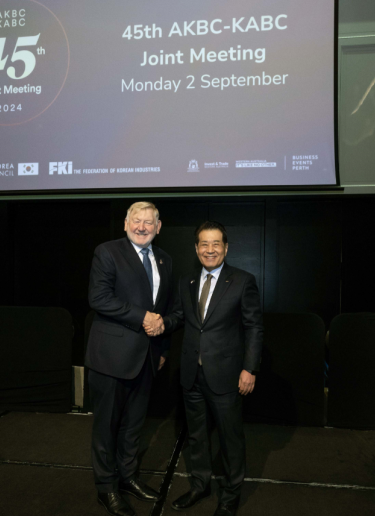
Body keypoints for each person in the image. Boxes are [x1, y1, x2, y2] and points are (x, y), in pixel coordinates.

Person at [146, 221, 263, 516]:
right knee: (196, 437)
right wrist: (161, 323)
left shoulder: (242, 280)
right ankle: (200, 486)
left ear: (225, 248)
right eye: (204, 244)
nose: (210, 250)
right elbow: (179, 318)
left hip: (226, 376)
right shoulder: (187, 281)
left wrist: (250, 369)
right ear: (196, 249)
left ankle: (230, 496)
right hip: (191, 375)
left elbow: (254, 328)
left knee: (230, 438)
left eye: (216, 244)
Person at [87, 201, 172, 516]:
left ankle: (128, 478)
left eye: (149, 222)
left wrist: (162, 349)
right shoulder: (107, 252)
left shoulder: (165, 259)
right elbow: (98, 298)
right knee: (106, 428)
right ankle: (106, 488)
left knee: (134, 427)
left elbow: (165, 309)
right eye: (137, 220)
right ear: (125, 223)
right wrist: (142, 317)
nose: (142, 227)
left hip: (147, 359)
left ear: (158, 227)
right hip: (111, 358)